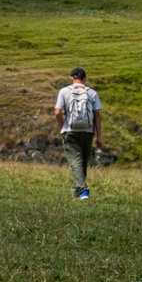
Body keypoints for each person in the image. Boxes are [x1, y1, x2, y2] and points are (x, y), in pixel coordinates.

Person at [53, 67, 104, 200]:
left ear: (71, 78)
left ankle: (83, 190)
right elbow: (97, 116)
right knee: (83, 162)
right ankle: (77, 191)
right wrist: (99, 137)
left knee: (75, 161)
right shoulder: (92, 93)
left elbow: (57, 112)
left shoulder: (64, 91)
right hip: (87, 131)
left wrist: (61, 125)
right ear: (85, 79)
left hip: (70, 130)